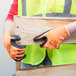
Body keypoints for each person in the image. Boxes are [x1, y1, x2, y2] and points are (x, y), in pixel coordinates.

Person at [3, 0, 76, 69]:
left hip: (67, 57)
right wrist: (6, 35)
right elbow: (13, 14)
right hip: (32, 58)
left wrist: (65, 31)